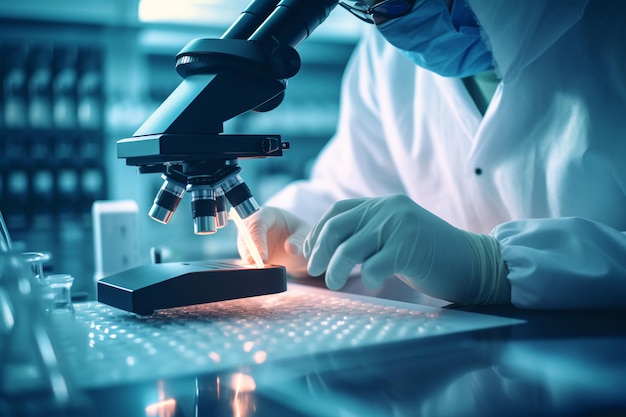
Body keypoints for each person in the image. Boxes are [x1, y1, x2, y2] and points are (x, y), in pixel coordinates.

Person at [238, 0, 626, 309]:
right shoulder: (386, 48)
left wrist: (492, 268)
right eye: (370, 4)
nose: (386, 15)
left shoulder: (608, 24)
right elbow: (356, 182)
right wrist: (300, 226)